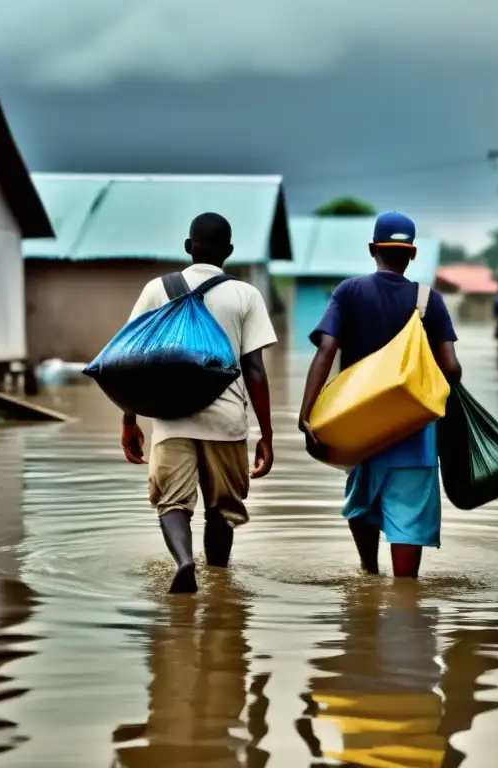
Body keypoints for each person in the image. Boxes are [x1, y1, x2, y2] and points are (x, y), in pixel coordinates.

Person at [298, 211, 462, 579]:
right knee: (409, 521)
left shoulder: (350, 291)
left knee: (361, 504)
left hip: (361, 428)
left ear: (374, 249)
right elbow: (451, 369)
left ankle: (369, 572)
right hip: (414, 435)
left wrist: (306, 414)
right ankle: (404, 593)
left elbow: (325, 351)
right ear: (413, 254)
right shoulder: (428, 300)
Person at [121, 213, 278, 594]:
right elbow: (254, 370)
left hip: (171, 419)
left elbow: (128, 358)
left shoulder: (157, 289)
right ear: (229, 252)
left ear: (189, 248)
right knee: (221, 510)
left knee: (172, 502)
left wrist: (130, 419)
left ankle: (183, 561)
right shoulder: (245, 295)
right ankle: (220, 584)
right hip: (226, 422)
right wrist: (267, 436)